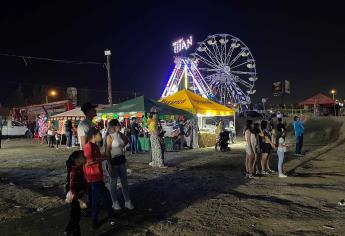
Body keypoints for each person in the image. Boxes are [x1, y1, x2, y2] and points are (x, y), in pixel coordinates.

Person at [83, 129, 115, 228]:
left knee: (96, 200)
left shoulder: (96, 146)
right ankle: (110, 216)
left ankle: (95, 220)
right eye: (99, 134)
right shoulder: (88, 146)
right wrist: (102, 159)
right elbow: (88, 162)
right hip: (92, 177)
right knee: (106, 197)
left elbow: (100, 157)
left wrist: (108, 147)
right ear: (94, 135)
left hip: (97, 176)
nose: (101, 135)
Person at [106, 119, 134, 210]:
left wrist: (121, 134)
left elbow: (127, 141)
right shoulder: (109, 137)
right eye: (118, 125)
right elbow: (107, 152)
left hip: (121, 161)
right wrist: (109, 164)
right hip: (113, 162)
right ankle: (114, 202)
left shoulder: (120, 135)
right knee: (113, 184)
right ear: (114, 126)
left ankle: (127, 201)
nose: (120, 126)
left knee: (125, 183)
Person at [64, 150, 87, 236]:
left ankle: (74, 231)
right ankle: (69, 230)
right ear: (77, 160)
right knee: (75, 215)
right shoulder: (74, 171)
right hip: (75, 197)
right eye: (83, 157)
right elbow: (72, 187)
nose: (85, 158)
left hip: (77, 195)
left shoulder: (79, 169)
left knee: (76, 215)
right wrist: (79, 200)